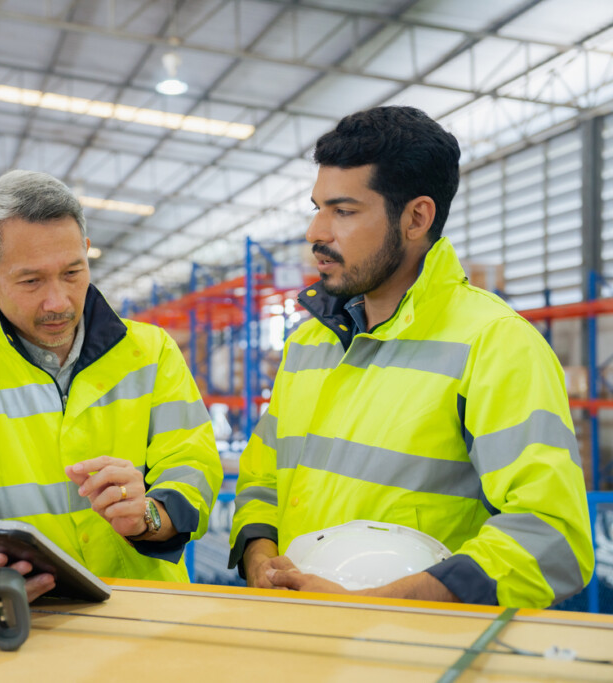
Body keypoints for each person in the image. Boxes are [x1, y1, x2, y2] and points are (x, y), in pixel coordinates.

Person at [230, 106, 594, 608]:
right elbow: (261, 478)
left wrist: (379, 603)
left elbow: (552, 537)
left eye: (343, 211)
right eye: (317, 207)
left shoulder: (493, 345)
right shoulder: (307, 344)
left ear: (417, 217)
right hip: (301, 632)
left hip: (415, 655)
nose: (315, 232)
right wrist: (260, 557)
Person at [0, 170, 221, 600]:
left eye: (72, 272)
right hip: (24, 612)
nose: (58, 302)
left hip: (146, 608)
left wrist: (151, 516)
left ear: (86, 252)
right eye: (31, 281)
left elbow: (192, 461)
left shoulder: (151, 353)